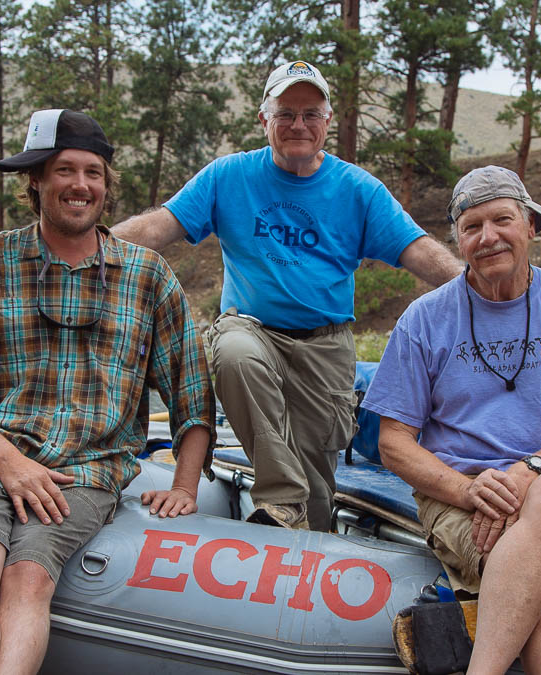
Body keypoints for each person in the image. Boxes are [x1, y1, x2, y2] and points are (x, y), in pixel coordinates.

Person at [0, 108, 215, 675]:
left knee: (28, 576)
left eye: (93, 173)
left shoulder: (149, 278)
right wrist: (9, 462)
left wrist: (185, 485)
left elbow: (193, 399)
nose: (81, 185)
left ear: (105, 185)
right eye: (64, 171)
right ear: (36, 181)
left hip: (86, 469)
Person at [112, 60, 462, 532]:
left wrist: (474, 284)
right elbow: (161, 225)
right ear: (264, 120)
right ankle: (278, 500)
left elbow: (417, 249)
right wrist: (93, 246)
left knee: (318, 491)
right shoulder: (229, 176)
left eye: (310, 113)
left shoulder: (358, 190)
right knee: (234, 352)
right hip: (251, 330)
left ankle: (299, 535)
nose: (298, 124)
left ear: (327, 122)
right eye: (286, 113)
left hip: (325, 345)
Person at [361, 165, 541, 673]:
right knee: (534, 582)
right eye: (471, 227)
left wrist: (529, 470)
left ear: (530, 226)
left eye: (502, 220)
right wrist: (467, 490)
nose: (488, 237)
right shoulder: (424, 320)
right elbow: (394, 443)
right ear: (459, 241)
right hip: (460, 496)